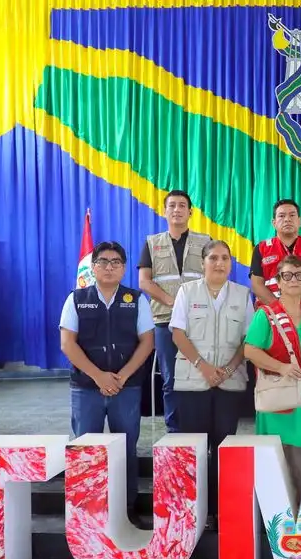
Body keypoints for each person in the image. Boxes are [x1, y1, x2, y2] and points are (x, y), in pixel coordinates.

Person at [60, 241, 154, 529]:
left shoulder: (136, 299)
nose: (110, 266)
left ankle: (127, 508)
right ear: (94, 267)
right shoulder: (76, 299)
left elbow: (147, 342)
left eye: (116, 262)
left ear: (124, 268)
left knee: (126, 448)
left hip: (127, 388)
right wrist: (98, 376)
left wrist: (122, 376)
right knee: (86, 449)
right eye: (103, 261)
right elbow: (68, 343)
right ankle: (87, 511)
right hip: (86, 388)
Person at [169, 240, 254, 517]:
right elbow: (178, 334)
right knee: (194, 449)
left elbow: (248, 340)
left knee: (224, 449)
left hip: (230, 382)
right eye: (213, 258)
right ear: (202, 263)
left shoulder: (242, 295)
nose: (220, 263)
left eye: (225, 258)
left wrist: (228, 369)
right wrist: (203, 366)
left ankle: (221, 511)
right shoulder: (186, 291)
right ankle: (193, 512)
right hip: (193, 381)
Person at [244, 255, 301, 496]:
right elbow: (250, 350)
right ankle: (284, 521)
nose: (294, 280)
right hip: (280, 399)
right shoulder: (266, 314)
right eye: (287, 275)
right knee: (282, 460)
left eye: (300, 275)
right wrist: (281, 367)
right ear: (278, 282)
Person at [137, 189, 212, 433]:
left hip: (199, 319)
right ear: (164, 211)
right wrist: (172, 302)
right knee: (171, 378)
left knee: (199, 374)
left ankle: (200, 427)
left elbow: (212, 278)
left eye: (182, 205)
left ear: (190, 212)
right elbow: (144, 282)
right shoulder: (152, 242)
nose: (177, 210)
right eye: (172, 205)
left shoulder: (205, 242)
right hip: (164, 320)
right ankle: (175, 430)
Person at [249, 199, 301, 306]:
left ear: (299, 221)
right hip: (270, 312)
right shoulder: (261, 248)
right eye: (281, 216)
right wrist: (279, 307)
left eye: (292, 215)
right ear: (274, 223)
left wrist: (298, 306)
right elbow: (256, 284)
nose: (287, 219)